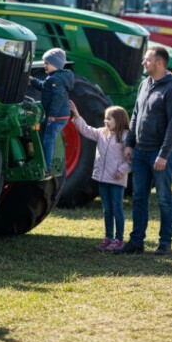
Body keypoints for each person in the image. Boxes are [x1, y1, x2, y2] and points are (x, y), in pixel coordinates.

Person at [116, 46, 172, 256]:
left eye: (147, 60)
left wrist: (164, 154)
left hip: (160, 153)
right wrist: (129, 143)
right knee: (139, 197)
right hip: (140, 152)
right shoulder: (144, 84)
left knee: (163, 198)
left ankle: (165, 243)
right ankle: (136, 242)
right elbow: (136, 115)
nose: (143, 63)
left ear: (160, 63)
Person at [70, 101, 131, 252]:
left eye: (109, 119)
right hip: (102, 179)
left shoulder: (125, 138)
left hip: (116, 180)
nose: (106, 121)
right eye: (105, 118)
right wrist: (77, 115)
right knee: (107, 210)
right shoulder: (102, 133)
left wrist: (122, 170)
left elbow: (131, 160)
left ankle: (119, 239)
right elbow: (86, 130)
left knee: (117, 209)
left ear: (120, 120)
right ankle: (108, 238)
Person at [30, 48, 74, 174]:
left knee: (48, 139)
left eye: (47, 63)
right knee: (41, 131)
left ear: (55, 64)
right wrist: (32, 80)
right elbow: (44, 86)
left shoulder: (55, 80)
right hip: (59, 116)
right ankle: (41, 159)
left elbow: (58, 98)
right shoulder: (55, 78)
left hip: (57, 116)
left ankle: (47, 167)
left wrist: (52, 115)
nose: (45, 66)